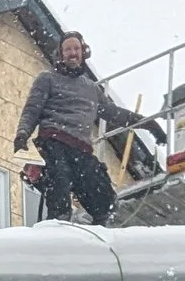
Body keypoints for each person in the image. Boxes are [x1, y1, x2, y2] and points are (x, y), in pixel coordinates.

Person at [15, 32, 137, 226]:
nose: (73, 53)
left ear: (83, 52)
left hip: (81, 149)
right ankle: (57, 228)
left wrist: (145, 122)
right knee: (59, 185)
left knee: (103, 196)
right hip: (53, 142)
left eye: (76, 49)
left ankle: (104, 232)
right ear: (61, 54)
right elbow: (32, 109)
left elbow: (112, 112)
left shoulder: (91, 89)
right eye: (68, 49)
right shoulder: (47, 79)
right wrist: (22, 134)